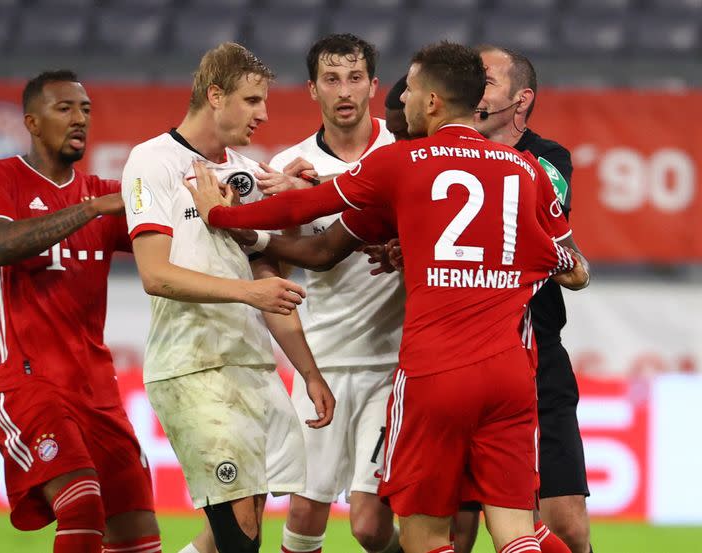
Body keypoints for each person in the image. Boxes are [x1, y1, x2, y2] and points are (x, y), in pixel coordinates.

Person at [186, 41, 591, 553]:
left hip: (433, 373)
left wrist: (222, 216)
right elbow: (571, 266)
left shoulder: (402, 162)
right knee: (518, 533)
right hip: (510, 373)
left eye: (414, 89)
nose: (406, 99)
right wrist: (559, 266)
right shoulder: (526, 170)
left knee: (424, 536)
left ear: (434, 103)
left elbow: (303, 205)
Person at [120, 43, 335, 553]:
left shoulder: (246, 174)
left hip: (251, 368)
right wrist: (250, 291)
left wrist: (308, 373)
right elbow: (155, 274)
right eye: (252, 100)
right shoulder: (153, 161)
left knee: (238, 530)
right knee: (240, 536)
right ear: (215, 96)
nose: (263, 114)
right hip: (192, 366)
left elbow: (269, 286)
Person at [0, 70, 161, 553]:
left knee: (137, 532)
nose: (80, 120)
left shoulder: (101, 191)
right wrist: (91, 210)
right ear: (32, 122)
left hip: (97, 391)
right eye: (66, 109)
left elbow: (173, 235)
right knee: (80, 505)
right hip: (23, 380)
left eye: (86, 110)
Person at [248, 33, 404, 553]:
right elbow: (279, 258)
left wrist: (317, 195)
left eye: (355, 78)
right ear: (312, 89)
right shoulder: (288, 166)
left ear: (374, 87)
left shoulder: (403, 153)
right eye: (332, 80)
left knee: (368, 524)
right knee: (305, 511)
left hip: (392, 365)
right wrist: (290, 213)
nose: (345, 91)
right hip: (325, 357)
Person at [473, 44, 592, 553]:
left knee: (564, 524)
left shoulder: (547, 159)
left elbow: (541, 234)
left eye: (486, 80)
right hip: (460, 356)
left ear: (521, 100)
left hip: (536, 354)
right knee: (451, 530)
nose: (473, 89)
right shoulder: (440, 151)